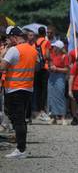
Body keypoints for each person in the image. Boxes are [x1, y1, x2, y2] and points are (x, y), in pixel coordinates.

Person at [0, 27, 38, 158]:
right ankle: (21, 147)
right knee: (21, 119)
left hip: (14, 89)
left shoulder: (14, 50)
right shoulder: (32, 50)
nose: (9, 41)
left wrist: (2, 55)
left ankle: (20, 150)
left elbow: (2, 67)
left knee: (18, 120)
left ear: (14, 37)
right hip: (27, 88)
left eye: (10, 38)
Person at [48, 40, 69, 125]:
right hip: (52, 76)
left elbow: (67, 69)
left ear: (59, 48)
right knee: (51, 96)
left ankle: (63, 117)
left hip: (60, 77)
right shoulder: (52, 55)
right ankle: (54, 117)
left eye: (55, 47)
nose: (53, 48)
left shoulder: (65, 56)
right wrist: (50, 67)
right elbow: (50, 65)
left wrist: (56, 69)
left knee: (60, 96)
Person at [33, 26, 51, 121]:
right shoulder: (46, 42)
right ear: (45, 33)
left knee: (37, 90)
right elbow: (47, 55)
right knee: (44, 90)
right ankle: (42, 110)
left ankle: (35, 110)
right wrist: (50, 58)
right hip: (44, 67)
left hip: (37, 68)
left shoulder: (35, 42)